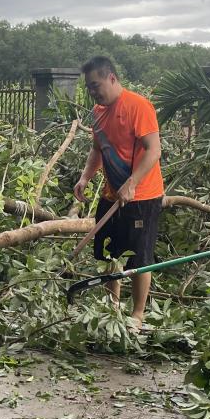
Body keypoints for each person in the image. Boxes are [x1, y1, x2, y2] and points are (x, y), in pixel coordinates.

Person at [72, 56, 164, 326]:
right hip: (112, 194)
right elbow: (98, 149)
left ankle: (137, 314)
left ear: (111, 78)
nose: (92, 92)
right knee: (110, 253)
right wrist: (85, 177)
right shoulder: (99, 112)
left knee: (138, 257)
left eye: (95, 85)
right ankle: (112, 308)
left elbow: (153, 150)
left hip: (142, 197)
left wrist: (132, 183)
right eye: (89, 87)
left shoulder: (138, 106)